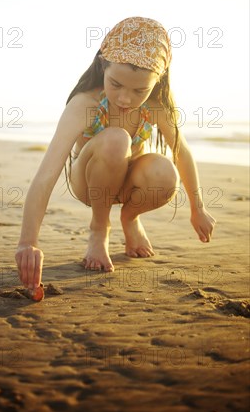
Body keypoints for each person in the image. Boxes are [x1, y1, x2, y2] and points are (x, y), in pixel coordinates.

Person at [15, 16, 216, 292]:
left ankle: (130, 218)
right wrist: (28, 242)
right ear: (102, 65)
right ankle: (99, 229)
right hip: (89, 183)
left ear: (158, 80)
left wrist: (198, 208)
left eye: (139, 90)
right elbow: (46, 174)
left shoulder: (157, 107)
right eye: (116, 84)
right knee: (116, 140)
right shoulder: (85, 103)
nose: (125, 99)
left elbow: (182, 153)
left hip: (129, 186)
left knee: (166, 171)